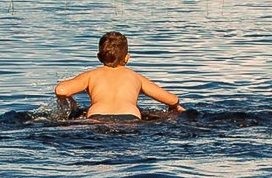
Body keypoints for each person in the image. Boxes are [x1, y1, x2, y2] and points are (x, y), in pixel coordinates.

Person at [55, 31, 187, 119]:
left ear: (99, 57)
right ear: (127, 58)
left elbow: (61, 90)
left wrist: (72, 103)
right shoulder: (135, 77)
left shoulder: (91, 76)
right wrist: (174, 107)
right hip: (130, 118)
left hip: (96, 118)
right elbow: (172, 99)